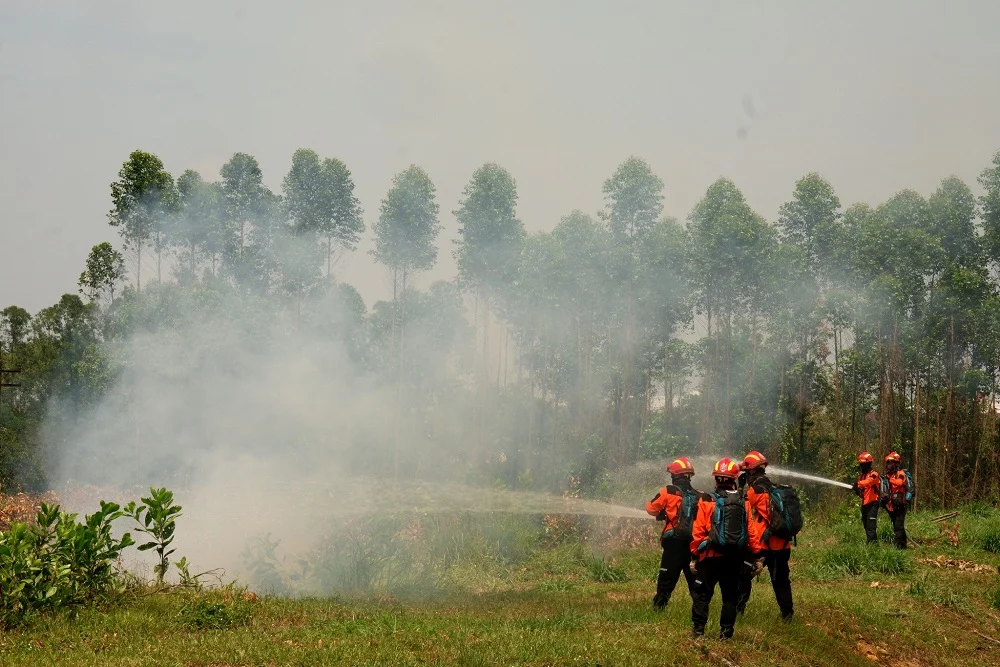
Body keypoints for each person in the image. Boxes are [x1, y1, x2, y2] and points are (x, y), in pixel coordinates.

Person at [689, 458, 748, 639]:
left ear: (716, 479)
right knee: (730, 597)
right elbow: (751, 532)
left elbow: (698, 531)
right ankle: (726, 634)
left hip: (710, 556)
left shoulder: (707, 500)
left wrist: (695, 555)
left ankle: (698, 632)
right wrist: (754, 557)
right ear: (734, 479)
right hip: (733, 558)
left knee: (702, 594)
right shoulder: (743, 501)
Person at [736, 449, 794, 622]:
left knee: (744, 575)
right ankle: (787, 614)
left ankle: (739, 612)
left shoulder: (755, 491)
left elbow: (740, 508)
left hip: (762, 546)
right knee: (781, 581)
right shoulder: (774, 488)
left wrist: (740, 487)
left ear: (751, 471)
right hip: (783, 545)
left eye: (746, 472)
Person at [645, 457, 699, 610]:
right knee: (694, 580)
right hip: (692, 543)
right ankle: (699, 609)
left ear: (675, 475)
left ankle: (659, 607)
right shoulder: (697, 494)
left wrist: (663, 512)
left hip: (674, 543)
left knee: (666, 578)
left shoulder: (669, 490)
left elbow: (651, 509)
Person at [880, 452, 913, 549]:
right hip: (892, 505)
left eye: (891, 463)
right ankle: (903, 546)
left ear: (896, 464)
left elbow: (899, 483)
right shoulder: (887, 476)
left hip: (901, 505)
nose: (889, 465)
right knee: (897, 526)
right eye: (888, 463)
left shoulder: (900, 474)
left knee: (898, 526)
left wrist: (889, 479)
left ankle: (898, 547)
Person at [852, 451, 881, 544]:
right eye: (861, 464)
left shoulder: (874, 474)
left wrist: (858, 484)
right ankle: (873, 544)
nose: (861, 466)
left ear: (868, 464)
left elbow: (869, 482)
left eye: (863, 464)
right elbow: (862, 493)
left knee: (871, 526)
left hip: (873, 503)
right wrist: (857, 490)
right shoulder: (862, 476)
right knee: (866, 525)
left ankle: (872, 545)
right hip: (865, 504)